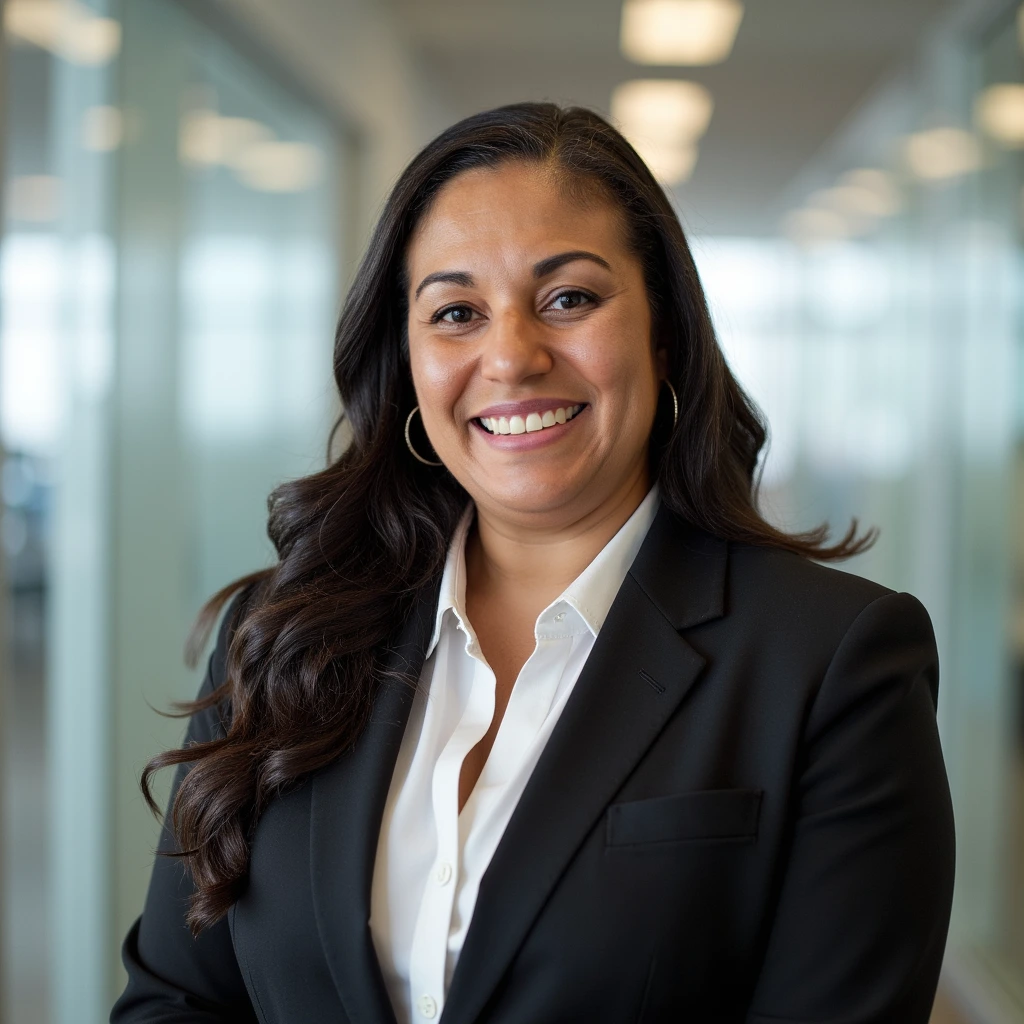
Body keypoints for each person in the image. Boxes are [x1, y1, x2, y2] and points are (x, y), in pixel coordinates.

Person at [111, 103, 955, 1024]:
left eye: (569, 298)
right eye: (458, 312)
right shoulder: (282, 636)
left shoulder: (833, 661)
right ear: (408, 360)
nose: (510, 356)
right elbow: (176, 999)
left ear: (663, 335)